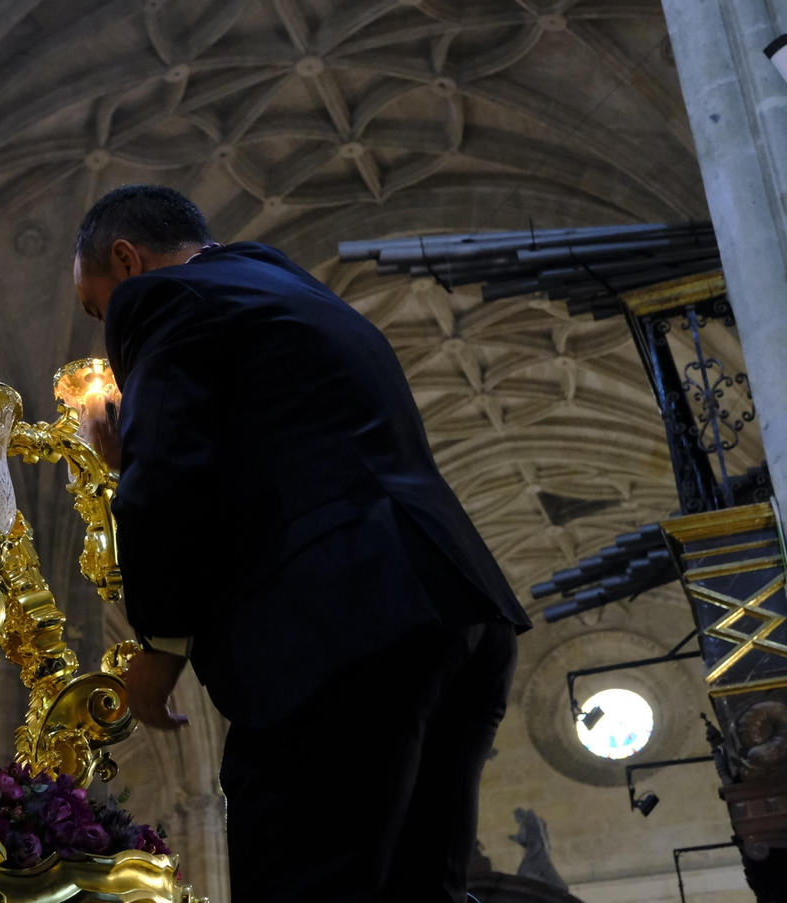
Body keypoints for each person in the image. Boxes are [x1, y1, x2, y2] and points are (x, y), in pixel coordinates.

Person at [72, 185, 531, 903]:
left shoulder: (162, 297)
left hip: (341, 626)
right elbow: (282, 448)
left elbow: (164, 483)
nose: (109, 325)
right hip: (459, 609)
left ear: (127, 261)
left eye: (98, 308)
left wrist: (159, 648)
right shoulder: (289, 289)